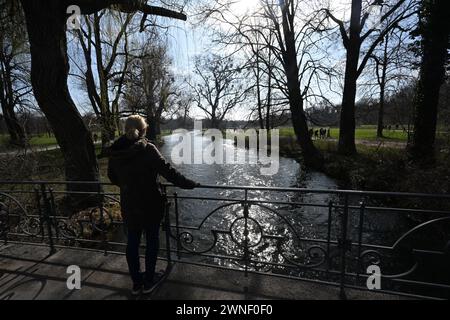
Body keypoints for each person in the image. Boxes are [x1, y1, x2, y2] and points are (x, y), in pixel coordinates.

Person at [106, 115, 199, 296]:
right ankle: (149, 281)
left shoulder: (115, 151)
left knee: (132, 242)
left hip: (129, 204)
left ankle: (136, 284)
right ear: (143, 130)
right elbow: (169, 172)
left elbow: (112, 177)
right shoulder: (148, 149)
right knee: (152, 241)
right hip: (150, 203)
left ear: (126, 129)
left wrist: (128, 187)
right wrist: (191, 183)